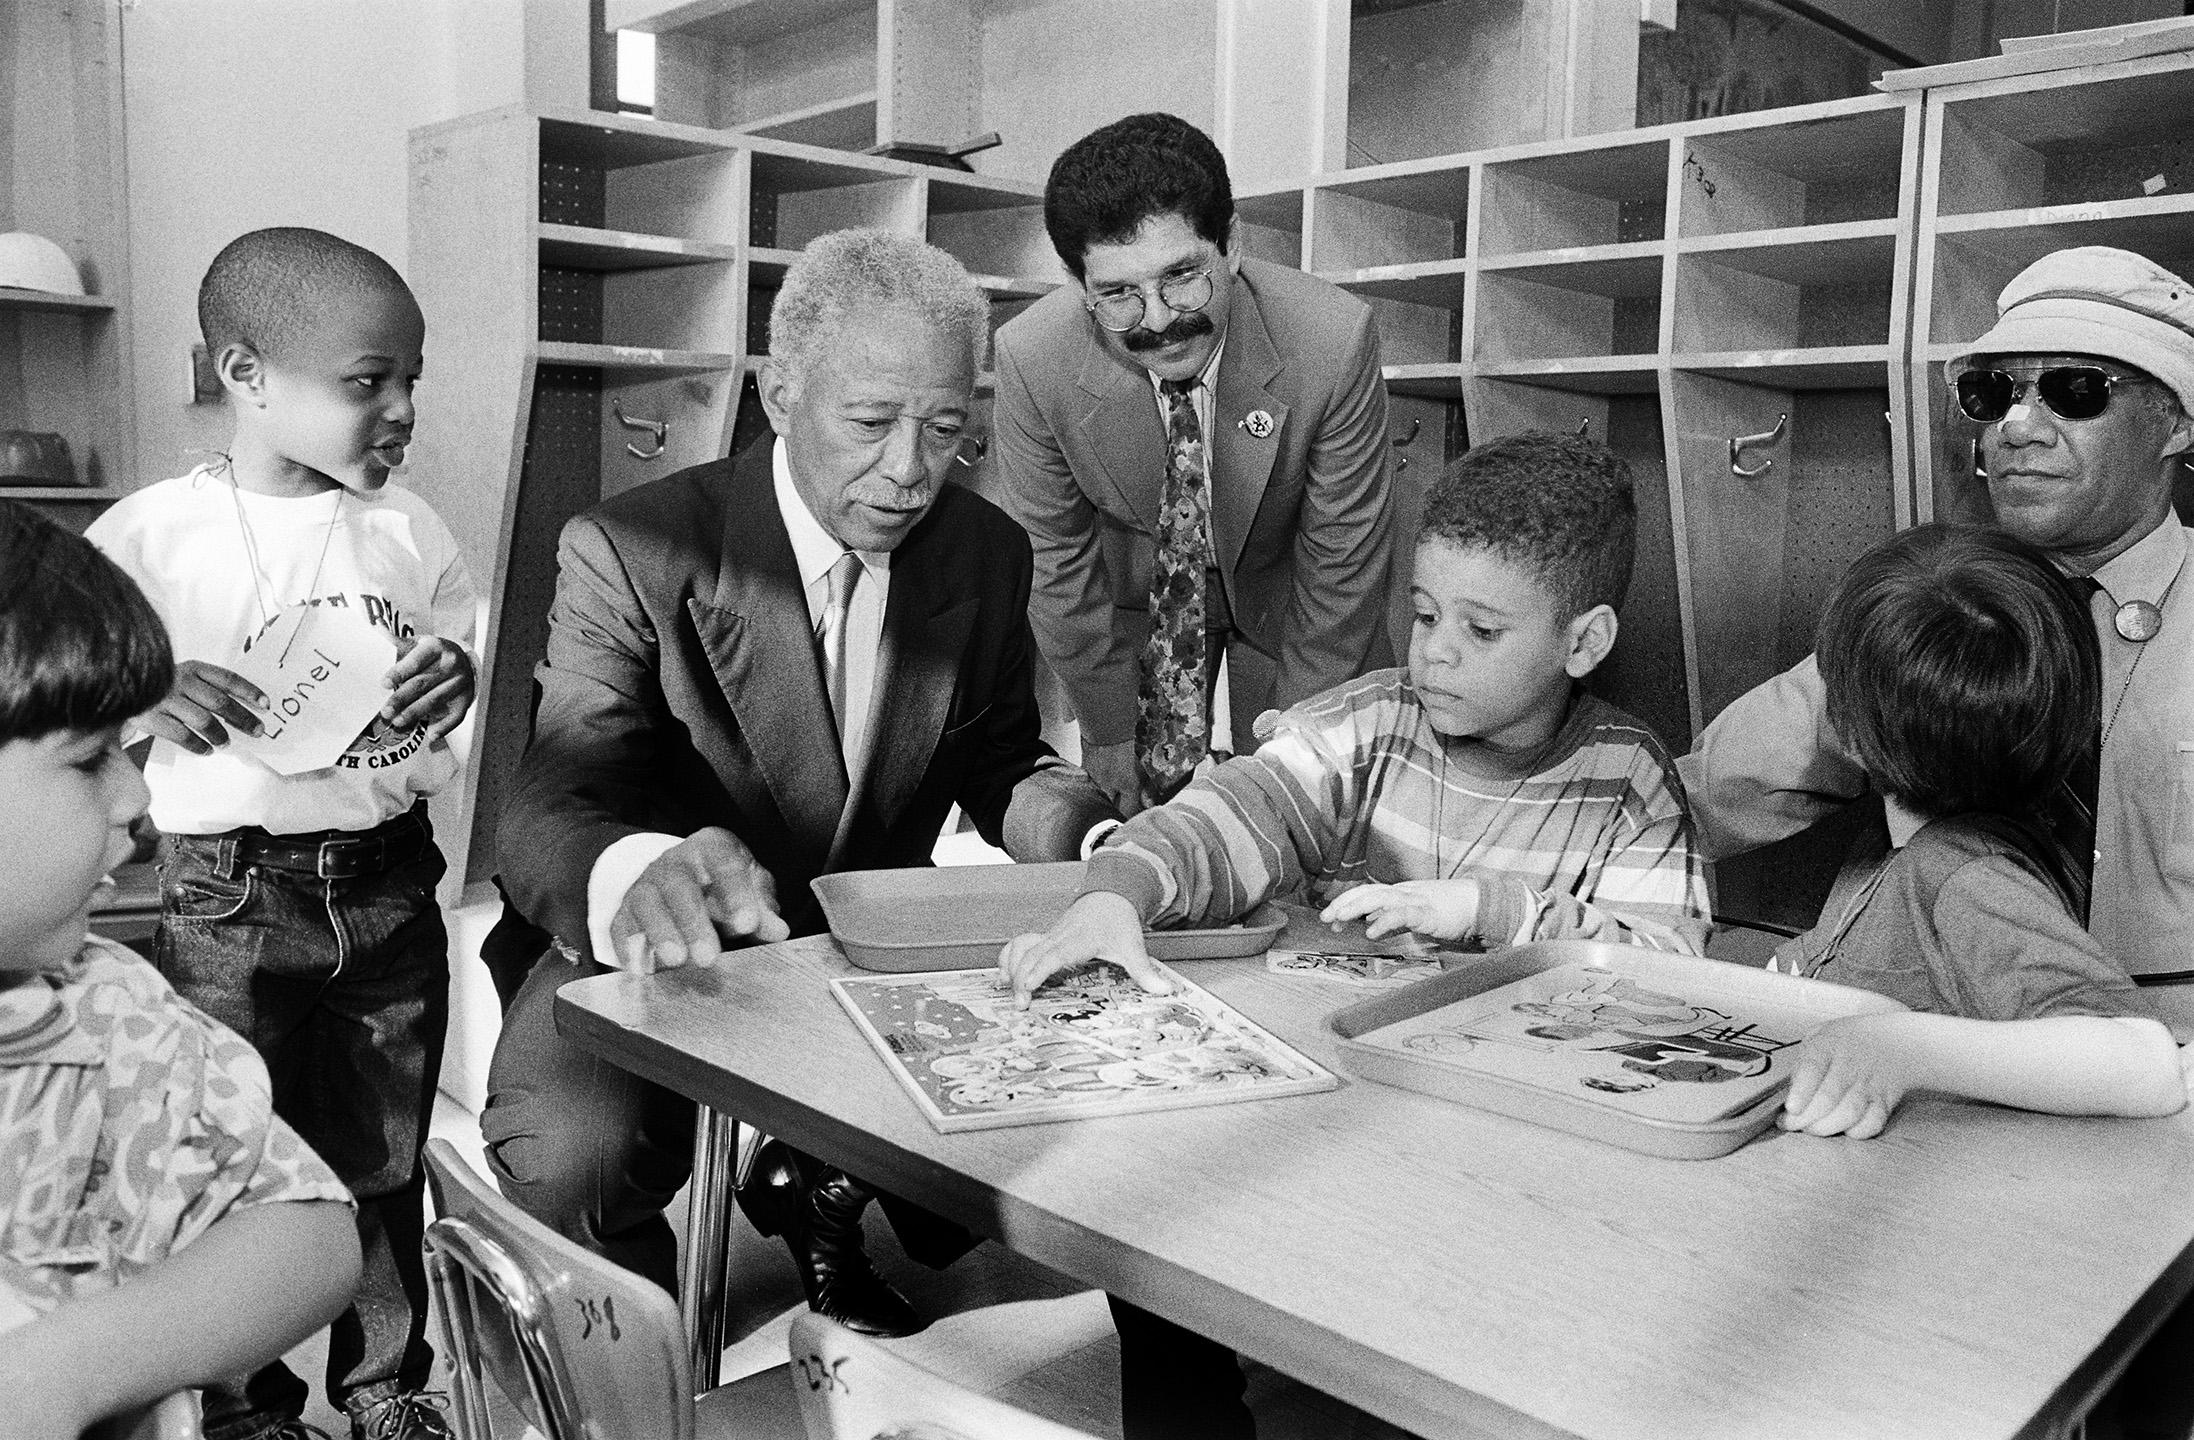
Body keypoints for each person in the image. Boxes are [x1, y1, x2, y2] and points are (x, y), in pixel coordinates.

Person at [1001, 430, 1710, 1440]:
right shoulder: (1376, 723)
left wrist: (1492, 915)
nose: (1433, 652)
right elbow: (1236, 811)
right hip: (1339, 1130)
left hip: (1505, 1171)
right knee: (1152, 1221)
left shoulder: (1627, 779)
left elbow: (1673, 973)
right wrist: (1117, 894)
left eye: (1479, 629)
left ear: (1582, 642)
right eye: (1421, 615)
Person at [480, 229, 1117, 1342]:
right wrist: (642, 867)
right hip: (669, 954)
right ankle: (629, 1377)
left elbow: (1001, 763)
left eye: (947, 431)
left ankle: (807, 1187)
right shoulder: (630, 545)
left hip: (861, 953)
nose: (911, 470)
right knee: (570, 1154)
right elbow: (552, 799)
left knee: (1039, 1140)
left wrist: (1097, 837)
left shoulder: (984, 551)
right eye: (871, 424)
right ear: (782, 395)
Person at [1680, 244, 2194, 1440]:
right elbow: (1705, 793)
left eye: (2070, 389)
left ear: (2176, 422)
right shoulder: (1935, 612)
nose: (2014, 424)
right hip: (1932, 1123)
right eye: (1989, 393)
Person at [85, 228, 476, 1440]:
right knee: (229, 1162)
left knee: (383, 1152)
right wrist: (142, 695)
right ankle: (244, 1406)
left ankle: (385, 1390)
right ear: (247, 376)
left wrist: (451, 683)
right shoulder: (149, 538)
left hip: (390, 886)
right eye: (370, 382)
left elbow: (452, 687)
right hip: (227, 896)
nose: (403, 408)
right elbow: (61, 711)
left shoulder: (407, 531)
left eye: (413, 377)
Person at [0, 501, 361, 1440]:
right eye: (88, 762)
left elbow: (312, 1234)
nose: (138, 792)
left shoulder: (104, 1013)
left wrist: (62, 1370)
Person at [994, 112, 1395, 818]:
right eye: (1117, 293)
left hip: (1296, 597)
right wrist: (1113, 727)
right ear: (1075, 280)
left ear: (1232, 245)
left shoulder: (1333, 340)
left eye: (1182, 276)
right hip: (1139, 607)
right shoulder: (1032, 360)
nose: (1158, 318)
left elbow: (1341, 567)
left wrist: (1294, 765)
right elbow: (1054, 560)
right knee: (1146, 821)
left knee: (1319, 813)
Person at [1767, 524, 2189, 1139]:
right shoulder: (1905, 857)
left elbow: (2144, 1063)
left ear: (1849, 734)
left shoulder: (1963, 876)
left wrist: (1903, 1049)